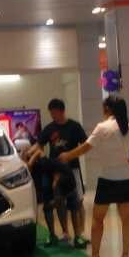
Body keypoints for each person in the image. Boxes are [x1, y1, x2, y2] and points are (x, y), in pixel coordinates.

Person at [60, 95, 129, 257]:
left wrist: (67, 155)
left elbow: (86, 147)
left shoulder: (102, 128)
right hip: (125, 178)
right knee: (127, 219)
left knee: (98, 219)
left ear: (107, 108)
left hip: (107, 179)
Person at [29, 99, 89, 248]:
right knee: (56, 201)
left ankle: (80, 234)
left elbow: (86, 145)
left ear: (61, 111)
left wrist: (71, 155)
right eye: (51, 113)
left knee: (77, 202)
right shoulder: (49, 128)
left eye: (54, 113)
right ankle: (64, 233)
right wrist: (29, 154)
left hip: (72, 169)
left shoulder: (74, 126)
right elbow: (39, 145)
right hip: (54, 169)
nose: (52, 116)